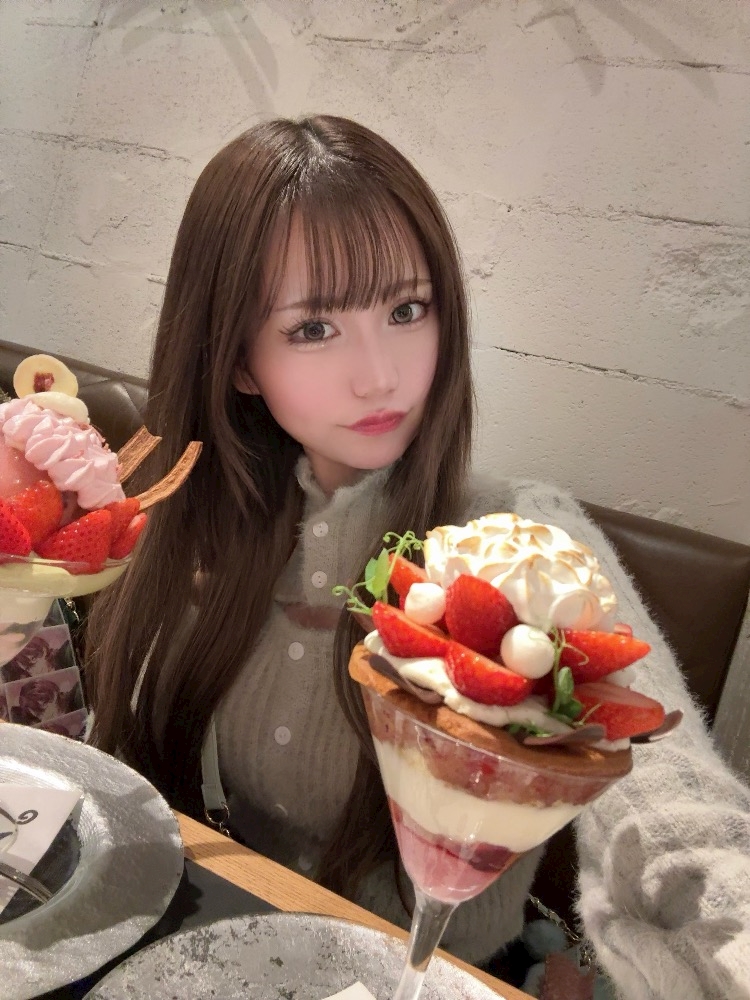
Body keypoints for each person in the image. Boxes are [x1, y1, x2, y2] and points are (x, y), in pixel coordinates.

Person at [86, 115, 750, 998]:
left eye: (407, 310)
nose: (381, 375)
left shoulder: (519, 545)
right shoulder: (194, 513)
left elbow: (676, 821)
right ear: (238, 359)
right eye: (313, 328)